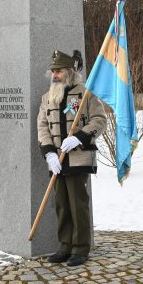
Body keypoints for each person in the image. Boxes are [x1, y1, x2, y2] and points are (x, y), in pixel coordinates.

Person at [37, 49, 107, 266]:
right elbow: (42, 126)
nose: (55, 75)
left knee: (78, 204)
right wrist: (49, 153)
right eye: (53, 71)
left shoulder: (86, 93)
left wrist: (79, 138)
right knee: (61, 205)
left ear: (69, 72)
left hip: (78, 158)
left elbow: (99, 120)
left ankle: (80, 248)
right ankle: (65, 246)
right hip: (57, 161)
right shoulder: (47, 97)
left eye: (58, 71)